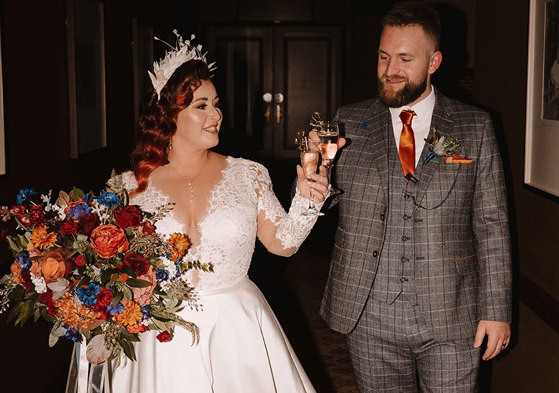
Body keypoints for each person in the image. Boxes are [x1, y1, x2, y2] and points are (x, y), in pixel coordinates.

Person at [71, 34, 329, 393]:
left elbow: (282, 246)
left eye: (216, 104)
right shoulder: (128, 187)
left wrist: (308, 199)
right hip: (160, 338)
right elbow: (107, 269)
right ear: (170, 114)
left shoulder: (248, 174)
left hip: (237, 331)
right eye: (202, 106)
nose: (216, 115)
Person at [318, 2, 512, 392]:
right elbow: (316, 203)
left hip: (452, 316)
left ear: (434, 61)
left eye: (405, 59)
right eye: (384, 56)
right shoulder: (348, 123)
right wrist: (309, 181)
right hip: (368, 314)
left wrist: (497, 311)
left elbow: (491, 224)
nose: (390, 70)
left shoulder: (473, 127)